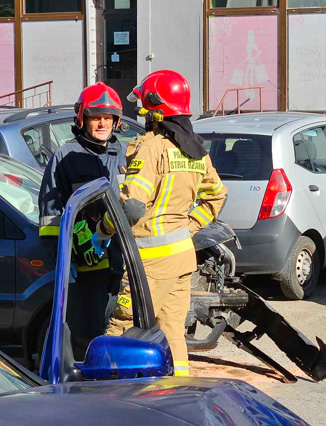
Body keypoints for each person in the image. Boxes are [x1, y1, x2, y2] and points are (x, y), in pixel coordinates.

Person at [95, 70, 227, 377]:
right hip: (182, 257)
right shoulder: (194, 149)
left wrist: (101, 232)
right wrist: (188, 228)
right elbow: (217, 195)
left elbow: (132, 207)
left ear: (154, 107)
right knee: (172, 333)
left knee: (121, 327)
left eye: (142, 104)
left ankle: (98, 397)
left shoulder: (151, 146)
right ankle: (178, 391)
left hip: (151, 263)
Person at [38, 82, 127, 358]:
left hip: (121, 263)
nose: (102, 124)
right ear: (82, 119)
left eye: (108, 118)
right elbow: (50, 214)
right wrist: (61, 260)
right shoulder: (66, 156)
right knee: (84, 337)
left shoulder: (125, 155)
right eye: (95, 118)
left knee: (117, 333)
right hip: (84, 264)